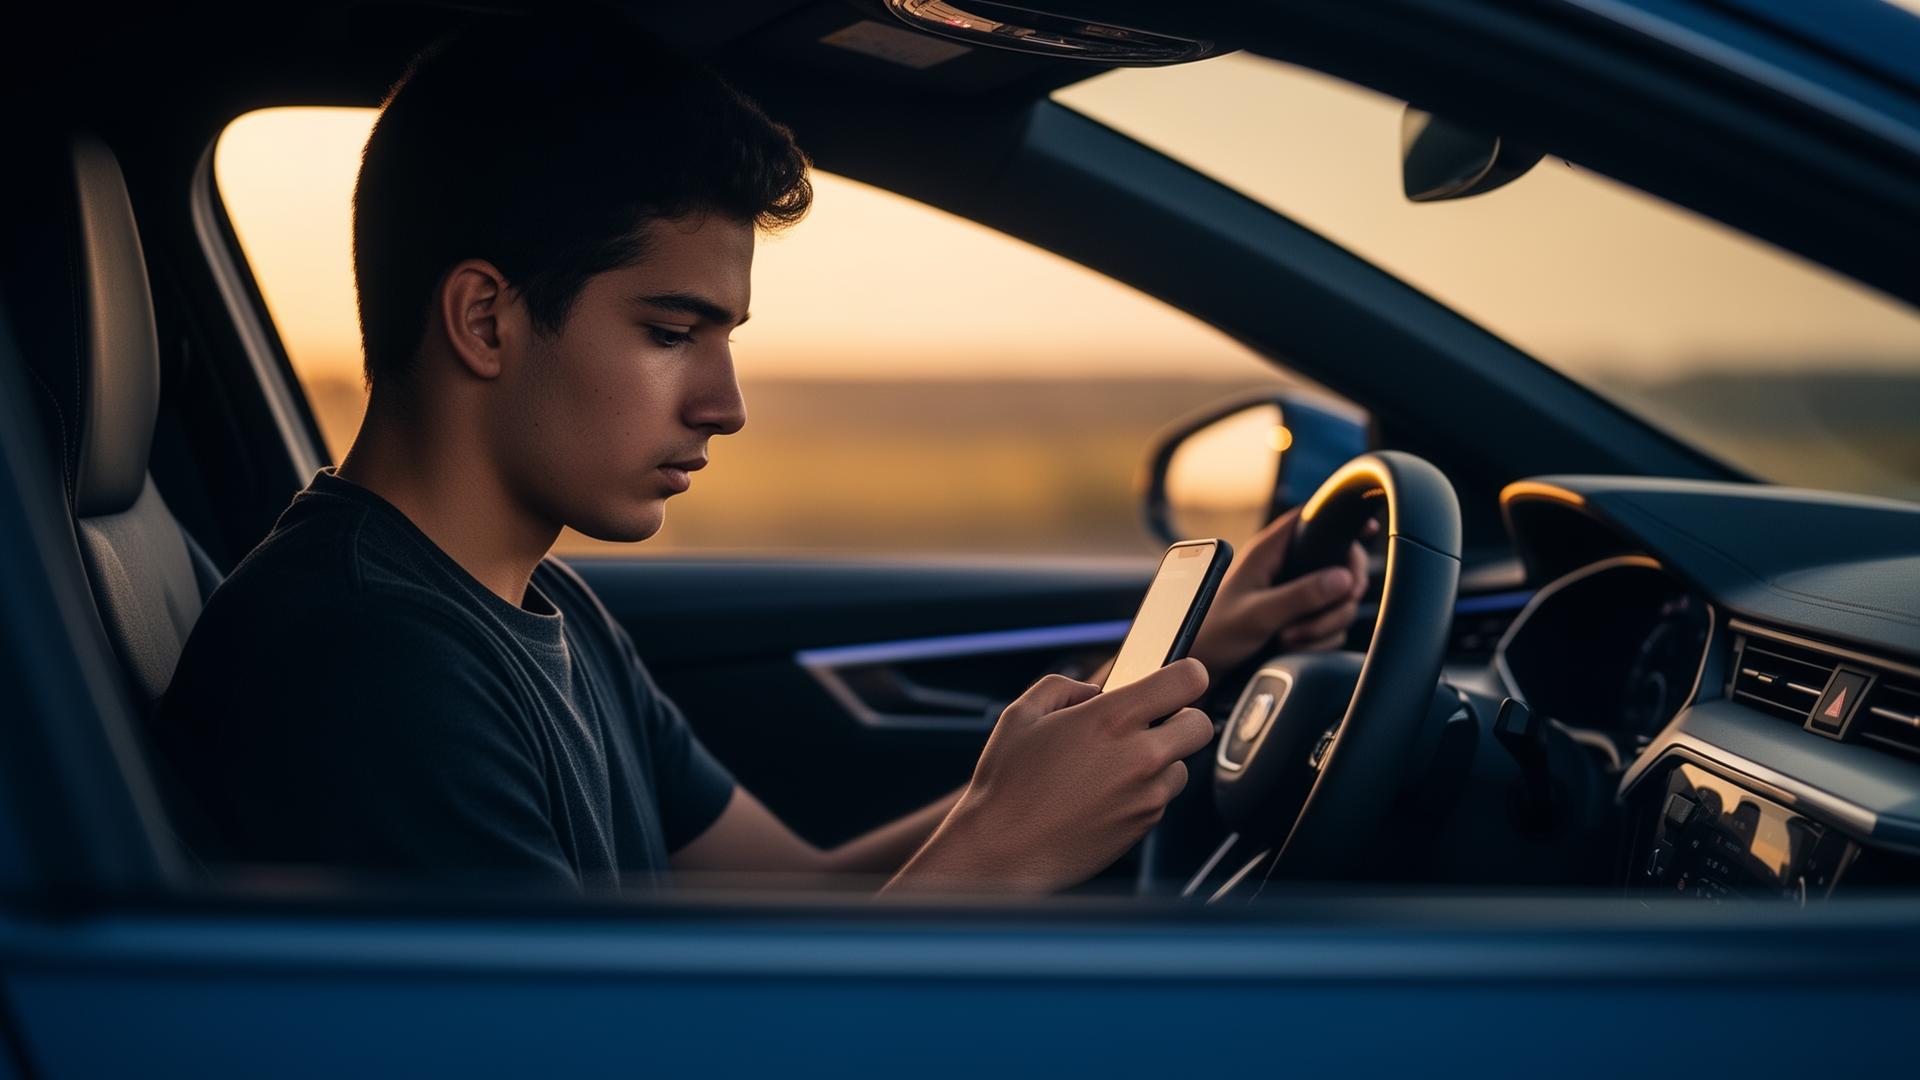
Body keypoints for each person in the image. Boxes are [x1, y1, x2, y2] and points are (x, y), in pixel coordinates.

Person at [160, 14, 1368, 894]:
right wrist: (997, 852)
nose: (725, 405)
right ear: (485, 320)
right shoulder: (364, 659)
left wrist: (1133, 700)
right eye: (670, 332)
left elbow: (791, 894)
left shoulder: (544, 608)